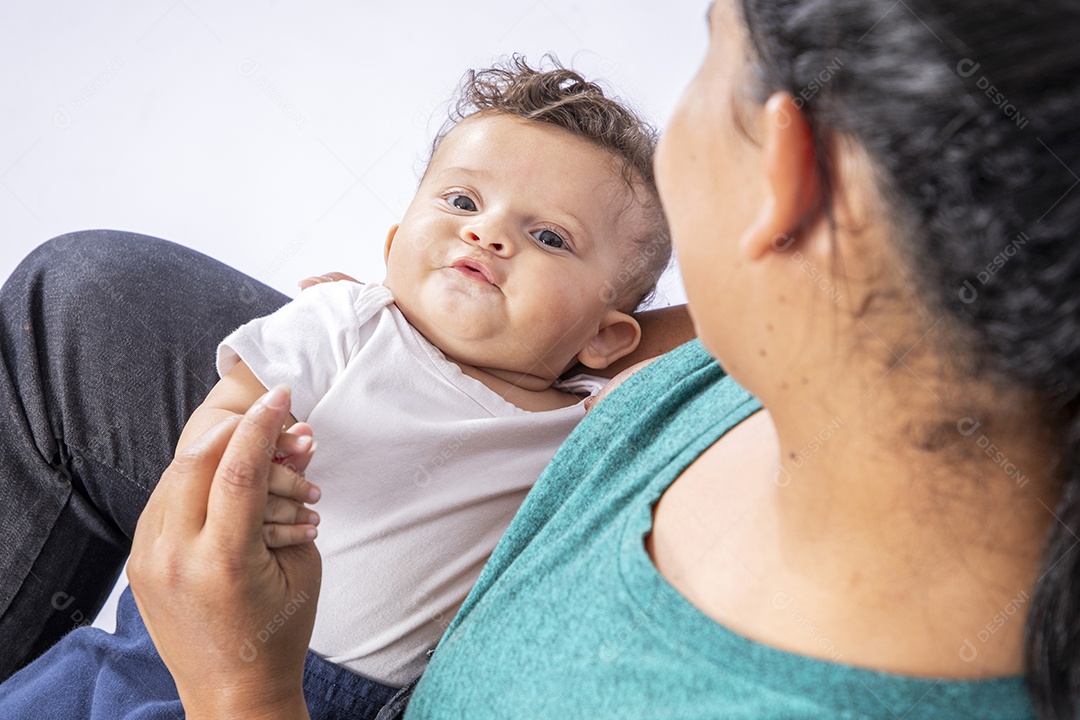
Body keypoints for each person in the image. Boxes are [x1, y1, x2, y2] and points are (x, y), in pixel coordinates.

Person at [4, 0, 1079, 717]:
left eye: (709, 44)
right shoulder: (947, 339)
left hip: (285, 678)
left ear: (789, 178)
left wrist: (240, 685)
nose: (487, 236)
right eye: (463, 204)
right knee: (85, 292)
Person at [0, 59, 675, 718]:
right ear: (392, 246)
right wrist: (243, 472)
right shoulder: (350, 324)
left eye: (550, 236)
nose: (488, 232)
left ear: (609, 338)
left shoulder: (584, 424)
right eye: (462, 200)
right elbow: (228, 410)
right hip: (165, 649)